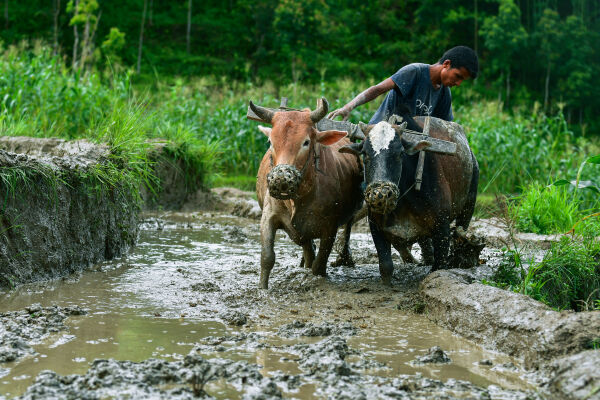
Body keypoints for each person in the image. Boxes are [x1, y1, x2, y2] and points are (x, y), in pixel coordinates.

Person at [327, 46, 479, 124]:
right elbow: (378, 89)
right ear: (447, 64)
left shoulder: (445, 93)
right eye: (457, 76)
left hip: (410, 145)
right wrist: (348, 107)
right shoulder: (415, 72)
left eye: (462, 81)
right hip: (384, 133)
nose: (458, 83)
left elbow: (446, 126)